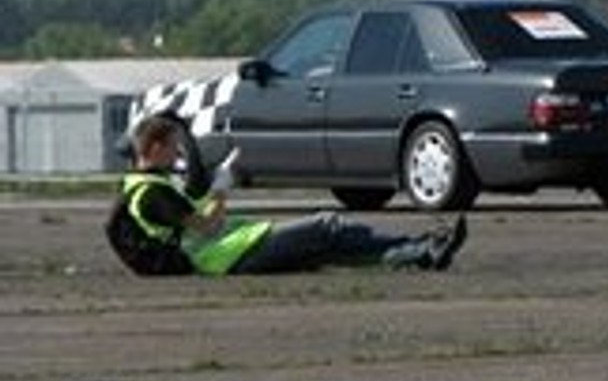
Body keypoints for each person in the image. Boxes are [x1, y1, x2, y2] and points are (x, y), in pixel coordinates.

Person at [112, 113, 467, 275]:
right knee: (326, 226)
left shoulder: (143, 187)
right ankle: (421, 248)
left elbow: (193, 224)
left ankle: (421, 253)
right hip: (225, 256)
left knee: (328, 249)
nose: (178, 154)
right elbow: (205, 228)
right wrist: (222, 188)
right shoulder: (152, 192)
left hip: (230, 250)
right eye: (172, 147)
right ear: (154, 147)